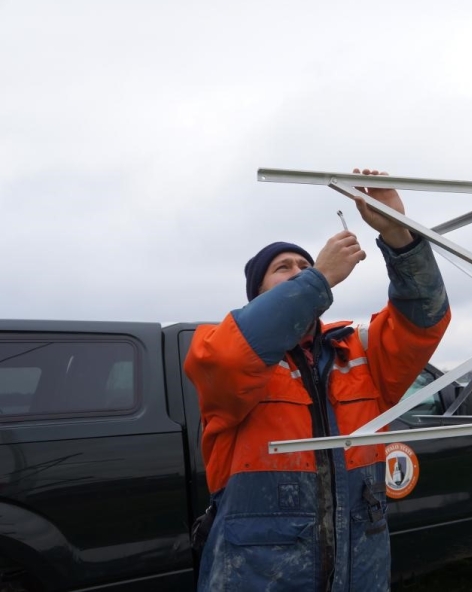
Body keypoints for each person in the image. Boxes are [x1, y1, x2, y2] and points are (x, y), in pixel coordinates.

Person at [184, 169, 451, 592]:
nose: (297, 271)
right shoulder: (224, 351)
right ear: (258, 295)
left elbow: (425, 319)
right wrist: (319, 277)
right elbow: (232, 356)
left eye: (303, 266)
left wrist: (400, 235)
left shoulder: (359, 354)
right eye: (282, 268)